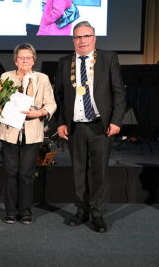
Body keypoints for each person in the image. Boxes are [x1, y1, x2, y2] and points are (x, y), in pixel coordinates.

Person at [54, 21, 126, 233]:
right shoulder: (64, 62)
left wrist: (116, 121)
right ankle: (81, 210)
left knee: (99, 172)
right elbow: (59, 96)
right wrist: (60, 123)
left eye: (86, 36)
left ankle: (98, 214)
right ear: (73, 40)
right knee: (78, 171)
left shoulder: (108, 58)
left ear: (94, 38)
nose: (82, 40)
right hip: (75, 126)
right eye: (78, 37)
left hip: (100, 126)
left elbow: (119, 92)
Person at [0, 43, 56, 224]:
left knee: (27, 174)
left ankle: (26, 212)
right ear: (15, 60)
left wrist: (41, 112)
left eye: (29, 57)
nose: (25, 60)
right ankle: (11, 212)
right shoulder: (6, 77)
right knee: (11, 172)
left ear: (34, 60)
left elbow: (51, 104)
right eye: (21, 57)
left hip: (32, 132)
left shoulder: (42, 78)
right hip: (10, 132)